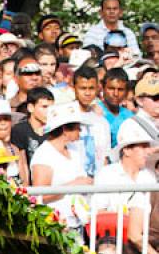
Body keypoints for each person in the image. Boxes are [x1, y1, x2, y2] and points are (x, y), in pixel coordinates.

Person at [30, 101, 92, 231]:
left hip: (77, 222)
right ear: (65, 129)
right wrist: (72, 186)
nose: (80, 131)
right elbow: (40, 196)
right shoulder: (44, 155)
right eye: (77, 127)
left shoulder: (74, 150)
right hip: (57, 226)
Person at [70, 66, 111, 177]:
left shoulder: (102, 122)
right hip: (73, 181)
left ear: (97, 89)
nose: (87, 93)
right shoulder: (66, 118)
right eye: (83, 88)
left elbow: (105, 157)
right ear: (74, 88)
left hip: (99, 182)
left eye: (91, 88)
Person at [11, 86, 54, 171]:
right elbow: (22, 163)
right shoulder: (20, 130)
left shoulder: (56, 130)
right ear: (31, 107)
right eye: (44, 107)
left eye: (51, 107)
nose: (49, 111)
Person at [99, 67, 133, 146]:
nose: (116, 94)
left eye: (120, 89)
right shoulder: (94, 112)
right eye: (111, 88)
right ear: (103, 88)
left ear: (126, 91)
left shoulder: (129, 116)